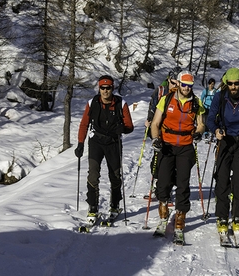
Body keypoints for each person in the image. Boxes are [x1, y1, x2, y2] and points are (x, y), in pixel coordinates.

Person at [206, 67, 239, 235]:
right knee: (222, 181)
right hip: (224, 142)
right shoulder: (219, 96)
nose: (233, 87)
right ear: (226, 83)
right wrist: (215, 130)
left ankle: (237, 217)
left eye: (236, 83)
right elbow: (210, 118)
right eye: (230, 84)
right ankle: (222, 217)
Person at [150, 70, 205, 234]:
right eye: (184, 85)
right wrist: (155, 139)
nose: (186, 88)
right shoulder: (166, 100)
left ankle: (180, 218)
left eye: (189, 86)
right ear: (178, 84)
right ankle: (163, 214)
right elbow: (155, 123)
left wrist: (199, 132)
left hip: (186, 146)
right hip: (167, 145)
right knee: (163, 182)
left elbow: (201, 124)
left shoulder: (196, 102)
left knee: (183, 183)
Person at [74, 75, 134, 223]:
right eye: (102, 88)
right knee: (93, 174)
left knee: (115, 175)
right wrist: (80, 143)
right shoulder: (92, 103)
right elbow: (84, 124)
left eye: (108, 88)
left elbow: (130, 126)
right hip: (96, 142)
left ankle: (114, 205)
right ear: (99, 88)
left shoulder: (121, 103)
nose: (105, 91)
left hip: (113, 142)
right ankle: (93, 207)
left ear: (112, 88)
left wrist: (123, 129)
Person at [144, 66, 182, 191]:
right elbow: (152, 107)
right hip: (159, 129)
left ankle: (168, 186)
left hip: (175, 132)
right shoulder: (160, 91)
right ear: (168, 80)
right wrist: (150, 121)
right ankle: (157, 181)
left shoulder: (182, 93)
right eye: (173, 82)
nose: (175, 85)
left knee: (173, 161)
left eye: (178, 83)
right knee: (158, 157)